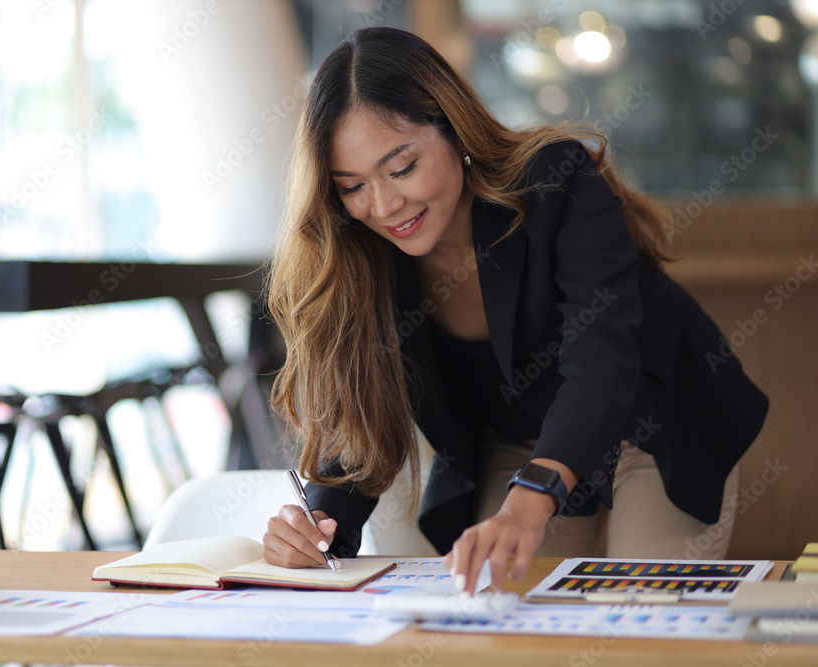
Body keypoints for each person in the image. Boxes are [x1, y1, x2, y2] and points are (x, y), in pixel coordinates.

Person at [261, 26, 768, 594]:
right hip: (516, 446)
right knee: (500, 618)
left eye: (401, 168)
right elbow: (360, 407)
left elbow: (602, 361)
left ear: (452, 127)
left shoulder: (556, 180)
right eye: (351, 186)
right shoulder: (360, 254)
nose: (383, 206)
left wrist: (531, 502)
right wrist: (317, 527)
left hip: (648, 426)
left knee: (640, 623)